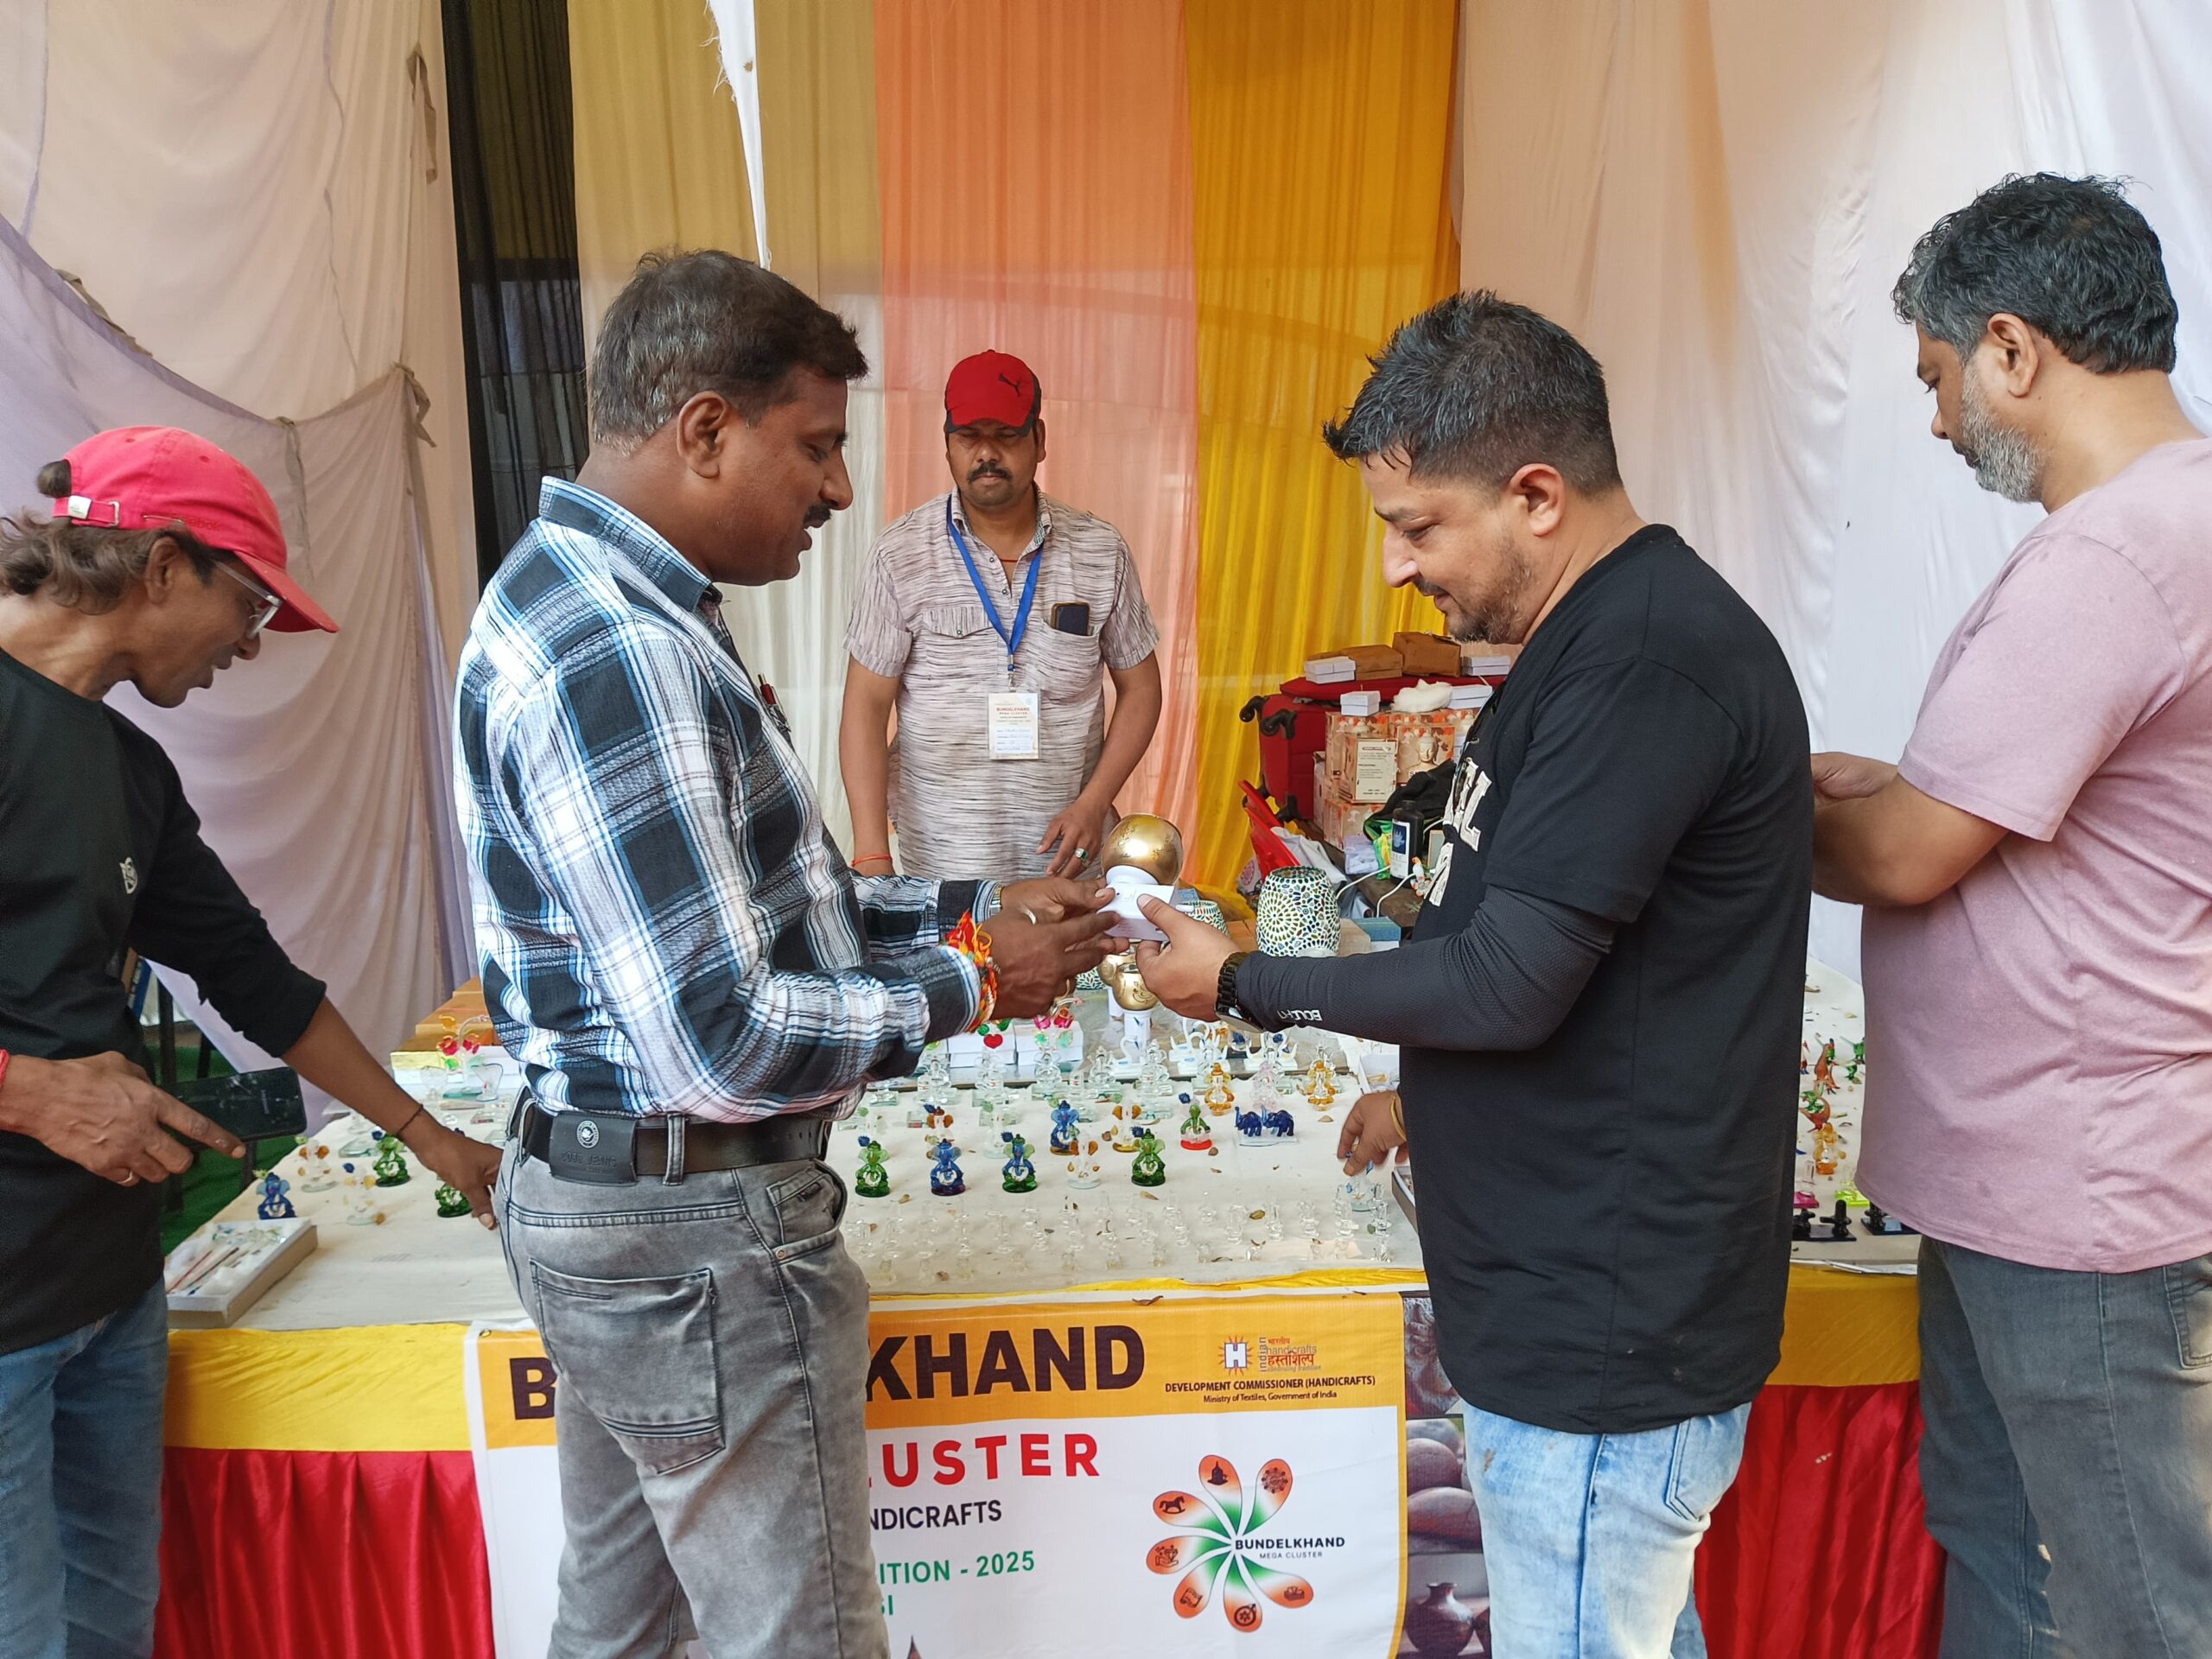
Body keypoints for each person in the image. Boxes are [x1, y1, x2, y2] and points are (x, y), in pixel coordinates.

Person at [457, 252, 1115, 1659]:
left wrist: (980, 905)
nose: (838, 488)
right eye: (815, 448)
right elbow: (721, 1038)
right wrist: (980, 979)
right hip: (693, 1234)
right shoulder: (619, 651)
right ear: (707, 429)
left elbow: (781, 910)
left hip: (622, 1211)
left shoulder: (596, 602)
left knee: (621, 1630)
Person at [1136, 293, 1810, 1659]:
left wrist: (1248, 981)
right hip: (1568, 1318)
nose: (1397, 567)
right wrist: (1424, 1099)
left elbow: (1507, 982)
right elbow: (1538, 932)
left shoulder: (1645, 657)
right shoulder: (1590, 637)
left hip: (1602, 1338)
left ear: (1537, 496)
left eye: (1419, 526)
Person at [0, 426, 501, 1659]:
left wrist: (434, 1138)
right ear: (165, 565)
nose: (253, 640)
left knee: (111, 1626)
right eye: (253, 602)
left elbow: (255, 981)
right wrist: (26, 1092)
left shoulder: (128, 768)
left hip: (111, 1288)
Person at [1812, 175, 2212, 1657]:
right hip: (2038, 1177)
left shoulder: (2113, 555)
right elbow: (2068, 813)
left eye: (1938, 378)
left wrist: (1721, 801)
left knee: (2126, 1608)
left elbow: (1910, 855)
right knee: (2013, 1558)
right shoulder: (2169, 522)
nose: (1938, 422)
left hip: (2076, 1195)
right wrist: (1891, 786)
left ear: (2011, 348)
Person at [839, 349, 1163, 880]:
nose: (987, 453)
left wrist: (1094, 803)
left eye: (1007, 435)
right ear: (946, 443)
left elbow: (1142, 688)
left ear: (1039, 439)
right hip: (942, 869)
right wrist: (871, 851)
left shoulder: (1101, 550)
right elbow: (865, 707)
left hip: (1067, 864)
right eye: (969, 436)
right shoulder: (899, 554)